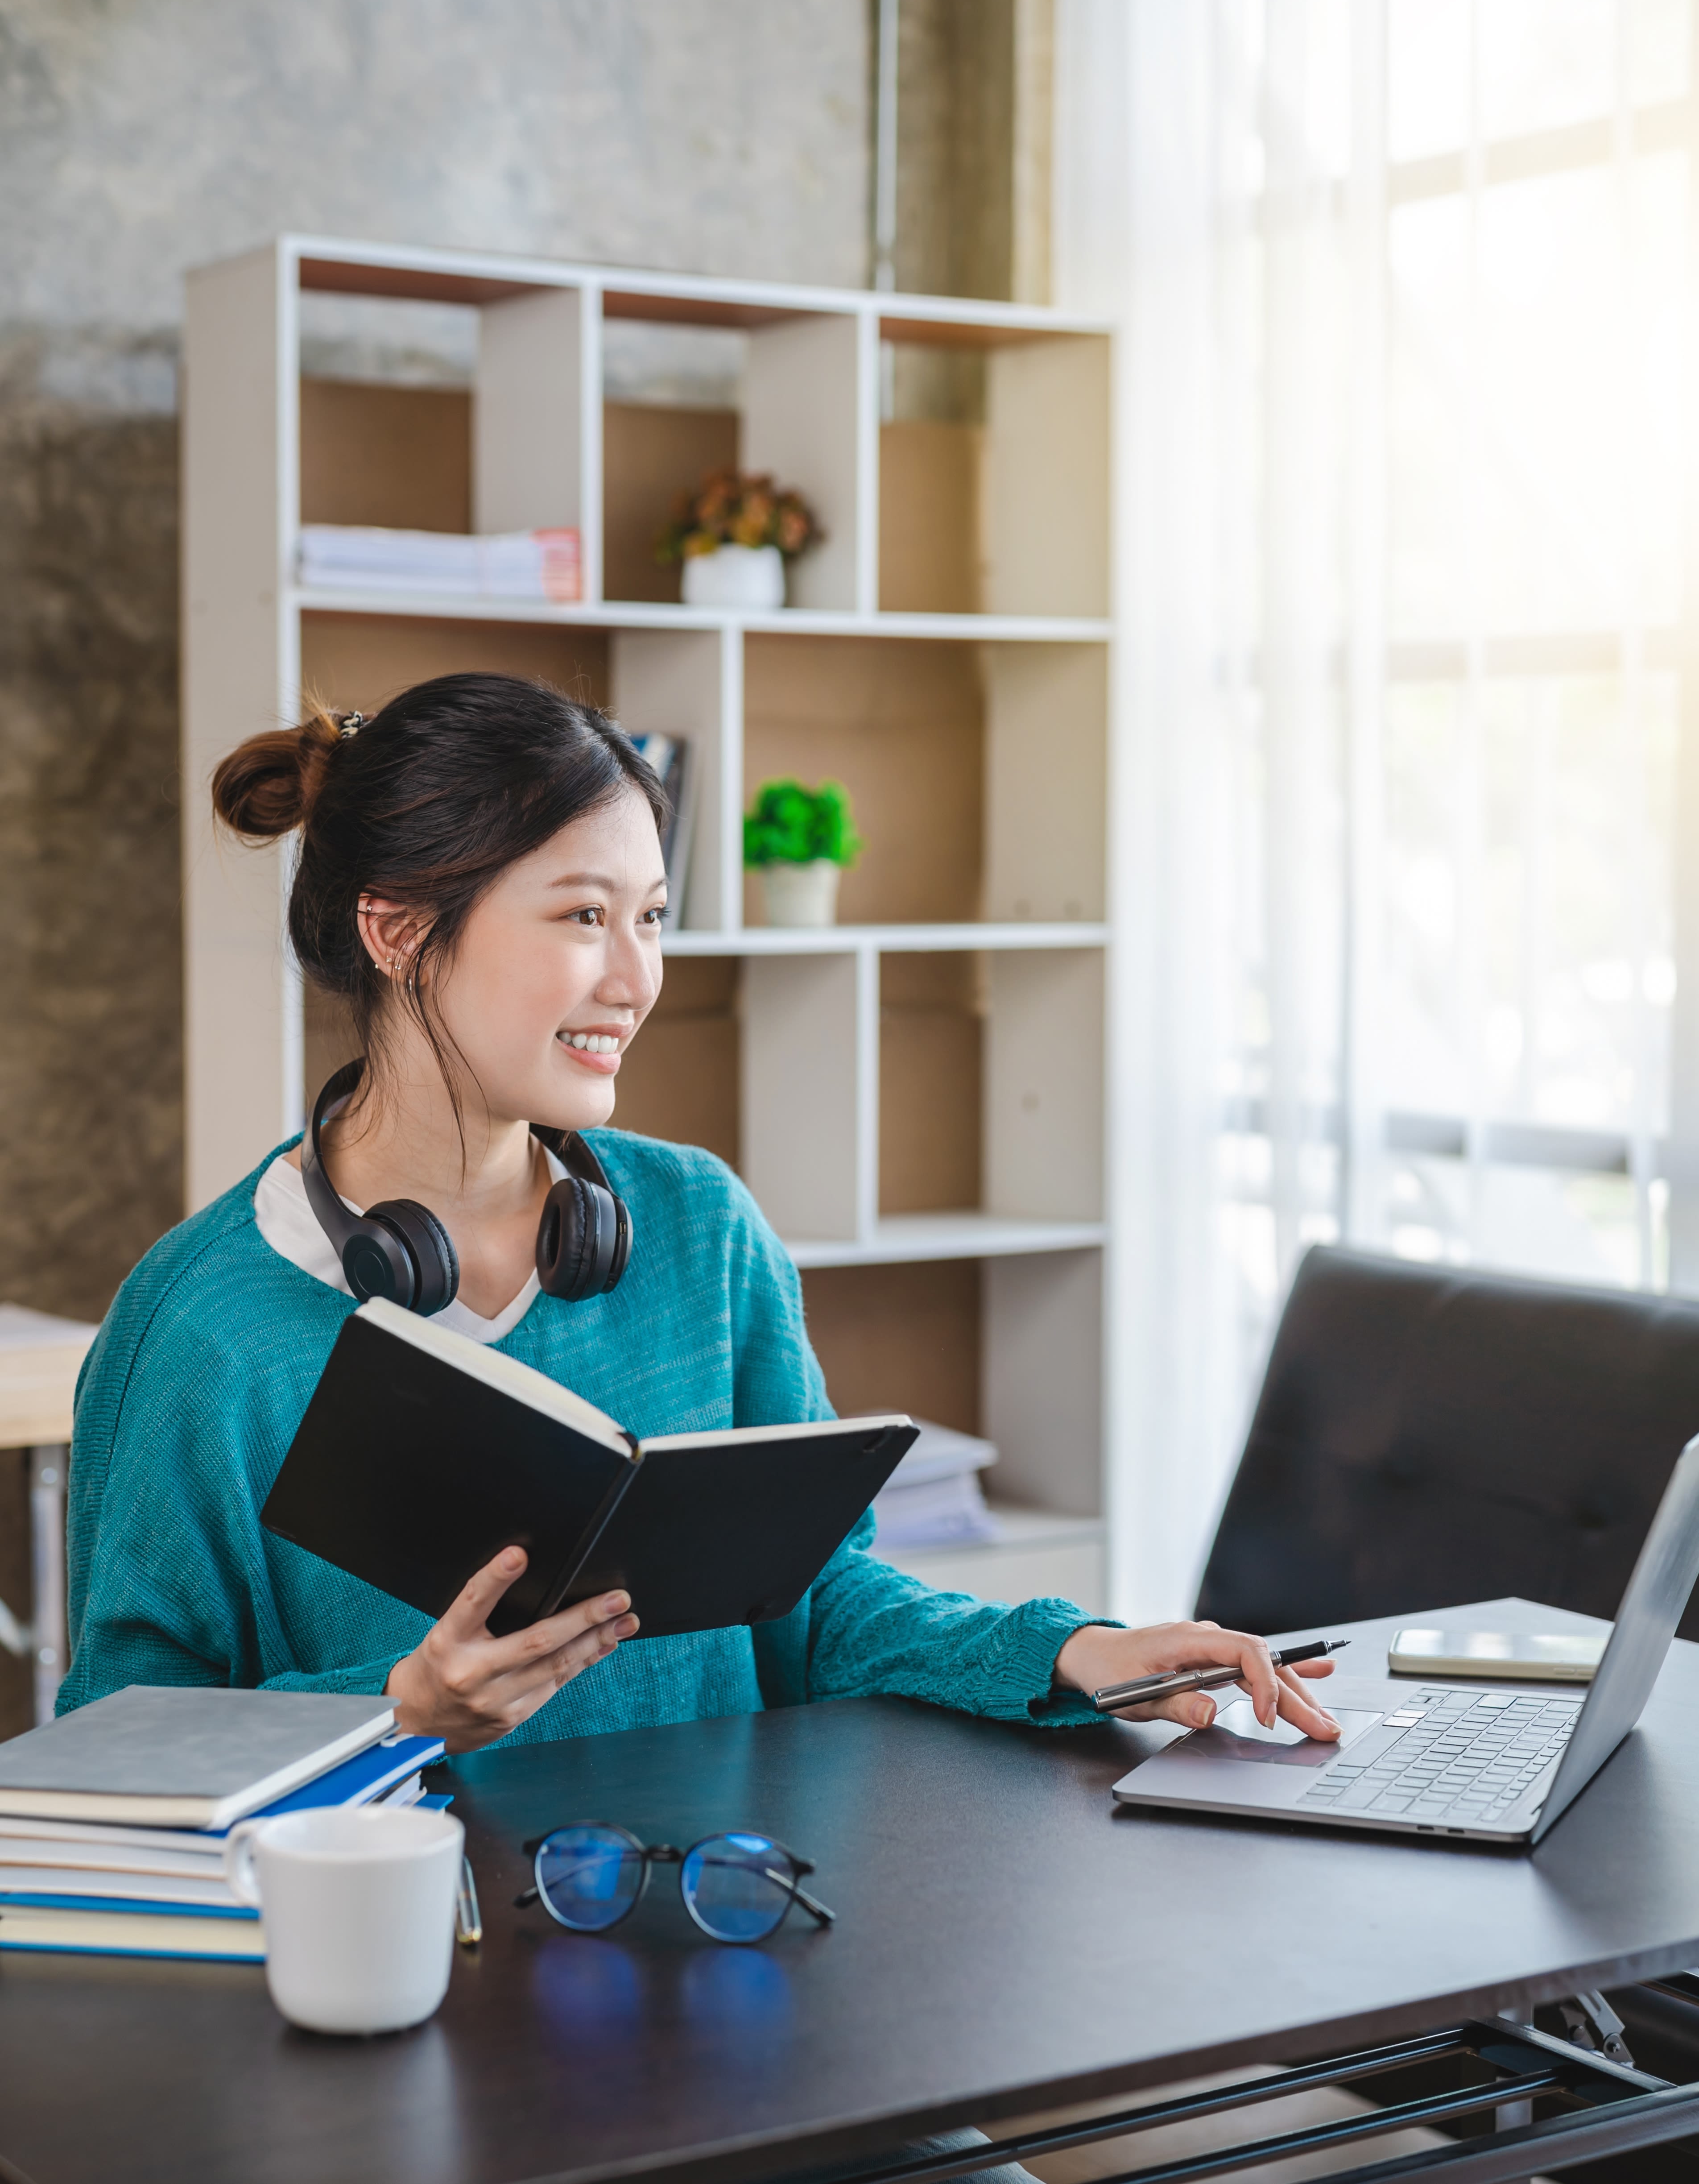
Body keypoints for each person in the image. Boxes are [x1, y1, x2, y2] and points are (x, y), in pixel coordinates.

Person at [61, 672, 1339, 1759]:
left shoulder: (698, 1227)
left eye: (652, 918)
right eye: (580, 916)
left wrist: (1071, 1649)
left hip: (714, 1942)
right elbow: (113, 1741)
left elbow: (815, 1600)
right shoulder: (206, 1324)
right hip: (399, 1973)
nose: (635, 979)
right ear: (396, 928)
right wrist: (396, 1715)